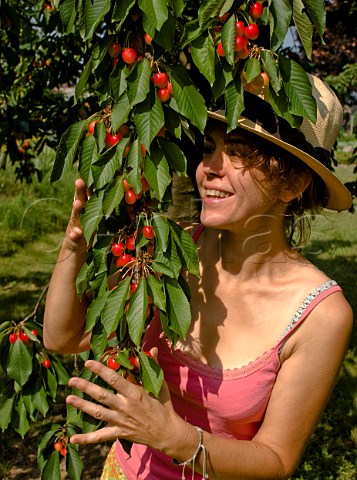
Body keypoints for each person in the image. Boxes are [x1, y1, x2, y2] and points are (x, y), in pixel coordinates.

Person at [43, 75, 353, 480]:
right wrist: (72, 252)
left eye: (239, 153)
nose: (208, 168)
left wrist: (178, 438)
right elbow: (63, 338)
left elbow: (276, 461)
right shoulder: (169, 252)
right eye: (210, 148)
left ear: (292, 183)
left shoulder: (321, 315)